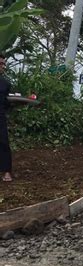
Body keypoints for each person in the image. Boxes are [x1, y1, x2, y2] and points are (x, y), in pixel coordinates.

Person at [0, 54, 12, 182]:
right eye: (0, 64)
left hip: (0, 116)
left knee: (3, 142)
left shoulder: (5, 83)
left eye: (4, 64)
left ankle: (7, 171)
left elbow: (8, 102)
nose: (3, 66)